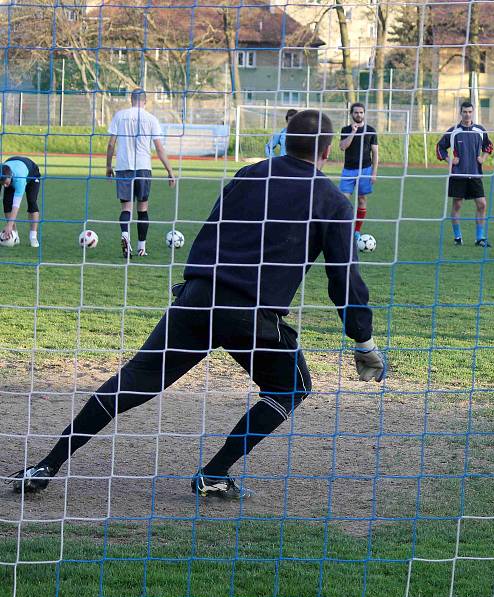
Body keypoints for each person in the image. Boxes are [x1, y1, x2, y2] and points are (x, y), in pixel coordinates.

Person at [9, 110, 386, 500]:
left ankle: (47, 464)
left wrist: (194, 283)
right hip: (251, 316)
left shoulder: (249, 174)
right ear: (328, 150)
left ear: (286, 140)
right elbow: (343, 281)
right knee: (292, 387)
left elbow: (212, 229)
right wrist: (363, 341)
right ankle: (214, 473)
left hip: (198, 297)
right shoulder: (333, 201)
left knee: (132, 382)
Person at [106, 88, 176, 259]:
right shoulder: (151, 119)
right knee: (143, 208)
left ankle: (125, 235)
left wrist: (108, 166)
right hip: (143, 168)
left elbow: (111, 144)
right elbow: (159, 148)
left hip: (123, 167)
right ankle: (141, 248)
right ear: (145, 101)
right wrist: (170, 171)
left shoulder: (120, 116)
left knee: (126, 208)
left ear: (131, 100)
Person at [436, 101, 494, 247]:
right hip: (458, 175)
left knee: (482, 204)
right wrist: (450, 161)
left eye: (469, 112)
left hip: (475, 174)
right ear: (460, 113)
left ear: (472, 112)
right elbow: (439, 147)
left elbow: (489, 145)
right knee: (457, 205)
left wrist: (483, 158)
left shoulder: (480, 130)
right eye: (464, 112)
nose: (467, 114)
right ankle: (458, 238)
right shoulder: (454, 131)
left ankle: (480, 238)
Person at [339, 103, 378, 240]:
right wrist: (353, 132)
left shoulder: (371, 130)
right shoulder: (345, 129)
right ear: (351, 114)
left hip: (365, 170)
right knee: (343, 201)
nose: (359, 115)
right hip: (348, 170)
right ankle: (344, 228)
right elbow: (343, 147)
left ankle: (356, 231)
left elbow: (375, 154)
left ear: (364, 114)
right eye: (356, 112)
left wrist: (374, 173)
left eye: (361, 112)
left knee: (362, 199)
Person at [0, 156, 42, 248]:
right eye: (2, 184)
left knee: (32, 202)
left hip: (32, 174)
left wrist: (9, 224)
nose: (5, 186)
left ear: (10, 176)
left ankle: (33, 236)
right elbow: (6, 184)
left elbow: (16, 204)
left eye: (6, 183)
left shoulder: (19, 178)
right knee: (6, 203)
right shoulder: (3, 177)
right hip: (12, 166)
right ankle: (14, 234)